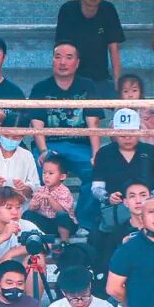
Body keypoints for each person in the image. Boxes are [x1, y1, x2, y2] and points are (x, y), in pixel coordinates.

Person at [29, 42, 105, 229]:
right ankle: (47, 224)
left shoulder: (87, 86)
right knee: (40, 174)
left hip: (81, 146)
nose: (63, 62)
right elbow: (36, 124)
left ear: (77, 63)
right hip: (51, 145)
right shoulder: (40, 88)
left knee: (96, 174)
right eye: (58, 57)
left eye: (69, 57)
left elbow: (93, 122)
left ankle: (84, 223)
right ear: (52, 61)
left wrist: (96, 153)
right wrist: (44, 151)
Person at [91, 108, 154, 206]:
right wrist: (108, 197)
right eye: (122, 135)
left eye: (131, 134)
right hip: (116, 209)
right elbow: (96, 187)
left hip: (148, 207)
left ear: (139, 131)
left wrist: (151, 197)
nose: (127, 138)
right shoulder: (104, 153)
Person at [54, 0, 126, 91]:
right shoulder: (68, 10)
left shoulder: (108, 9)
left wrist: (118, 86)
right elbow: (62, 49)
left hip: (100, 77)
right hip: (73, 79)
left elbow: (114, 50)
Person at [23, 154, 78, 241]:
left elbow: (61, 210)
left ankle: (64, 242)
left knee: (62, 216)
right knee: (27, 214)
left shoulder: (64, 191)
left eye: (51, 173)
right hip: (47, 224)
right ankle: (34, 240)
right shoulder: (40, 190)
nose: (46, 176)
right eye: (44, 173)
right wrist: (33, 206)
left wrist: (49, 198)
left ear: (62, 176)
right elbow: (32, 209)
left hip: (65, 226)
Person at [0, 132, 39, 214]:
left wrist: (24, 187)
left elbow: (35, 188)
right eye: (6, 136)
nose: (10, 140)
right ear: (0, 132)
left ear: (22, 137)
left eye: (15, 137)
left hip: (17, 213)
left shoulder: (26, 155)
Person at [117, 74, 154, 149]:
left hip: (150, 142)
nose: (130, 95)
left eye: (134, 91)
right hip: (128, 142)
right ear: (120, 94)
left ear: (141, 92)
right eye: (126, 91)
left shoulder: (146, 105)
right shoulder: (119, 109)